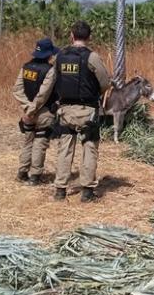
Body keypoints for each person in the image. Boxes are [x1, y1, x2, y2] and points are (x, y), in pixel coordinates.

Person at [52, 21, 111, 202]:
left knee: (64, 150)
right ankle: (86, 192)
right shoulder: (92, 57)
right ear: (89, 37)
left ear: (71, 35)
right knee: (89, 149)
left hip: (65, 111)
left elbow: (53, 80)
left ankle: (60, 190)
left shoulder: (60, 57)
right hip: (87, 111)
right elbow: (105, 82)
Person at [13, 38, 59, 185]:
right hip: (43, 112)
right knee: (40, 142)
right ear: (48, 55)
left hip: (28, 113)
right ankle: (35, 175)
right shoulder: (50, 70)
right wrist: (33, 109)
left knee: (28, 141)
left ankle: (22, 172)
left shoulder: (25, 67)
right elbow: (43, 94)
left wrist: (27, 108)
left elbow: (17, 90)